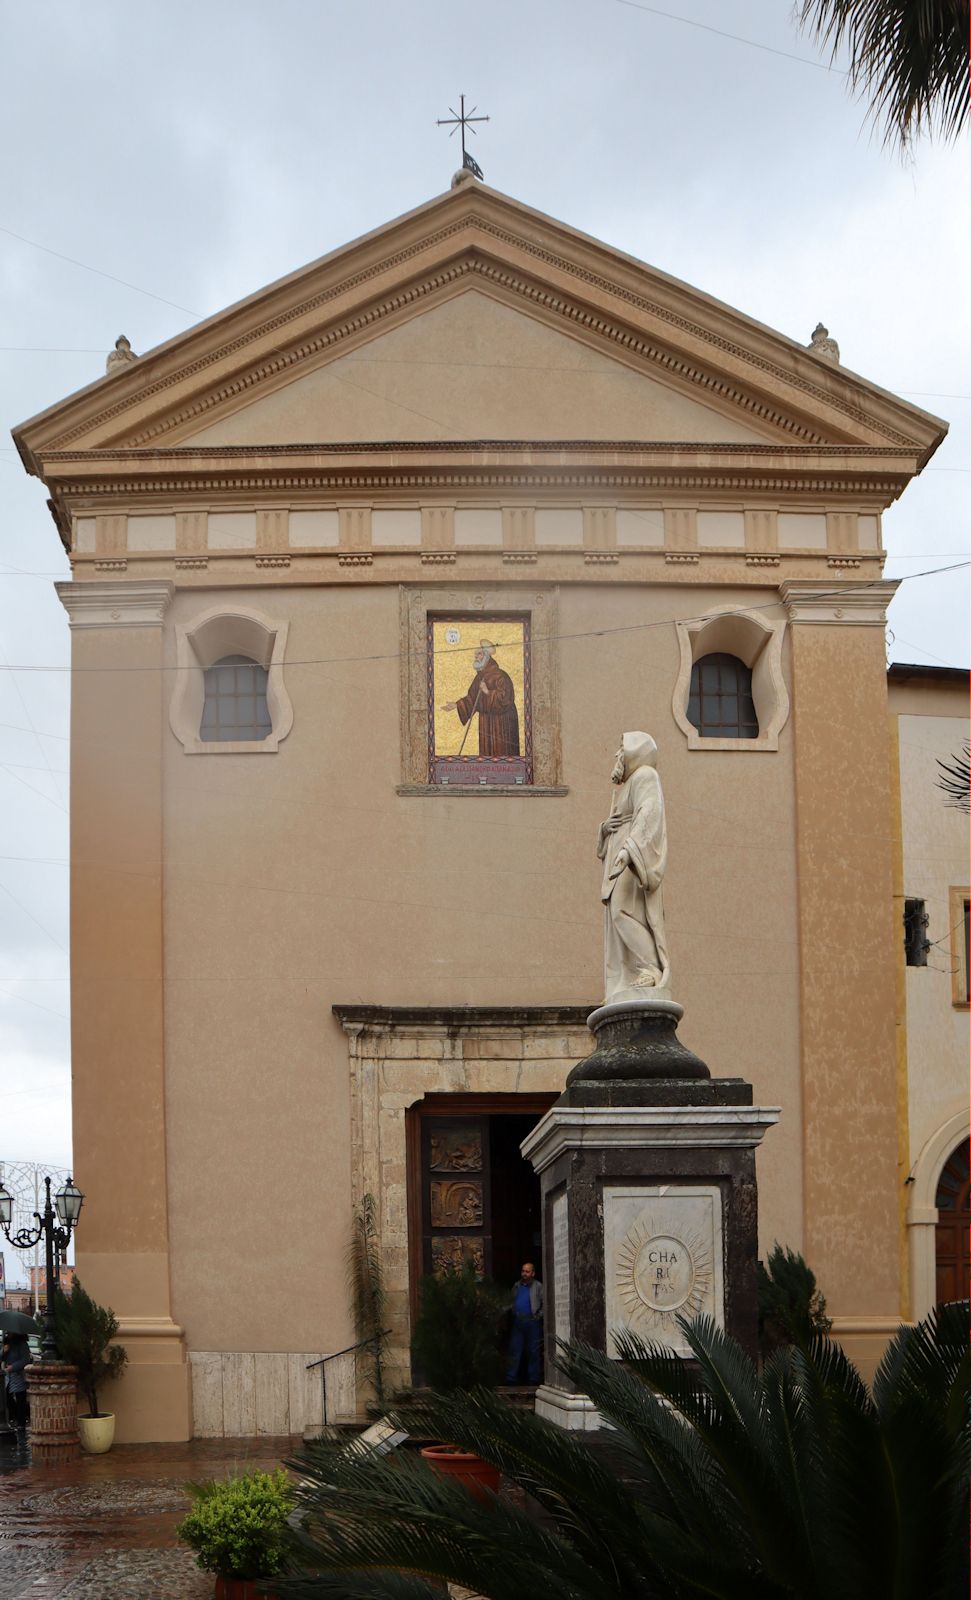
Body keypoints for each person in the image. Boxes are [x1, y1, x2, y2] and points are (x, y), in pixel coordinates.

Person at [598, 731, 671, 1001]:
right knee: (619, 914)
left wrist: (630, 850)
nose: (617, 754)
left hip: (630, 858)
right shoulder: (626, 786)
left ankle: (651, 968)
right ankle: (630, 977)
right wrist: (604, 831)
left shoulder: (645, 776)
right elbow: (618, 822)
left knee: (622, 911)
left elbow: (649, 813)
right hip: (619, 854)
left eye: (621, 748)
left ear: (634, 751)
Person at [441, 640, 520, 757]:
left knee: (502, 753)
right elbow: (472, 698)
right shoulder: (480, 677)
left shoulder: (500, 676)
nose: (475, 657)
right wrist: (457, 704)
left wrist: (488, 692)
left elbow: (506, 699)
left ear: (486, 656)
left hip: (501, 723)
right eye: (475, 654)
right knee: (487, 754)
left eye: (479, 654)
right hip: (486, 721)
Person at [505, 1262, 543, 1385]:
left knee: (533, 1351)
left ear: (533, 1273)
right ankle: (511, 1378)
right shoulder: (516, 1286)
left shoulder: (538, 1286)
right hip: (518, 1323)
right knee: (514, 1350)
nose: (524, 1274)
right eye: (523, 1271)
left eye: (527, 1271)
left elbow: (546, 1303)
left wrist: (538, 1316)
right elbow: (510, 1302)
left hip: (532, 1323)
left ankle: (534, 1379)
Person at [2, 1333, 31, 1439]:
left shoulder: (22, 1344)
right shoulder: (7, 1344)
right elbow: (2, 1357)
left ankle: (21, 1423)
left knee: (20, 1399)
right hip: (8, 1377)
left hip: (18, 1376)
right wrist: (4, 1351)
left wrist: (12, 1367)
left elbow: (25, 1360)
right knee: (7, 1398)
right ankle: (16, 1418)